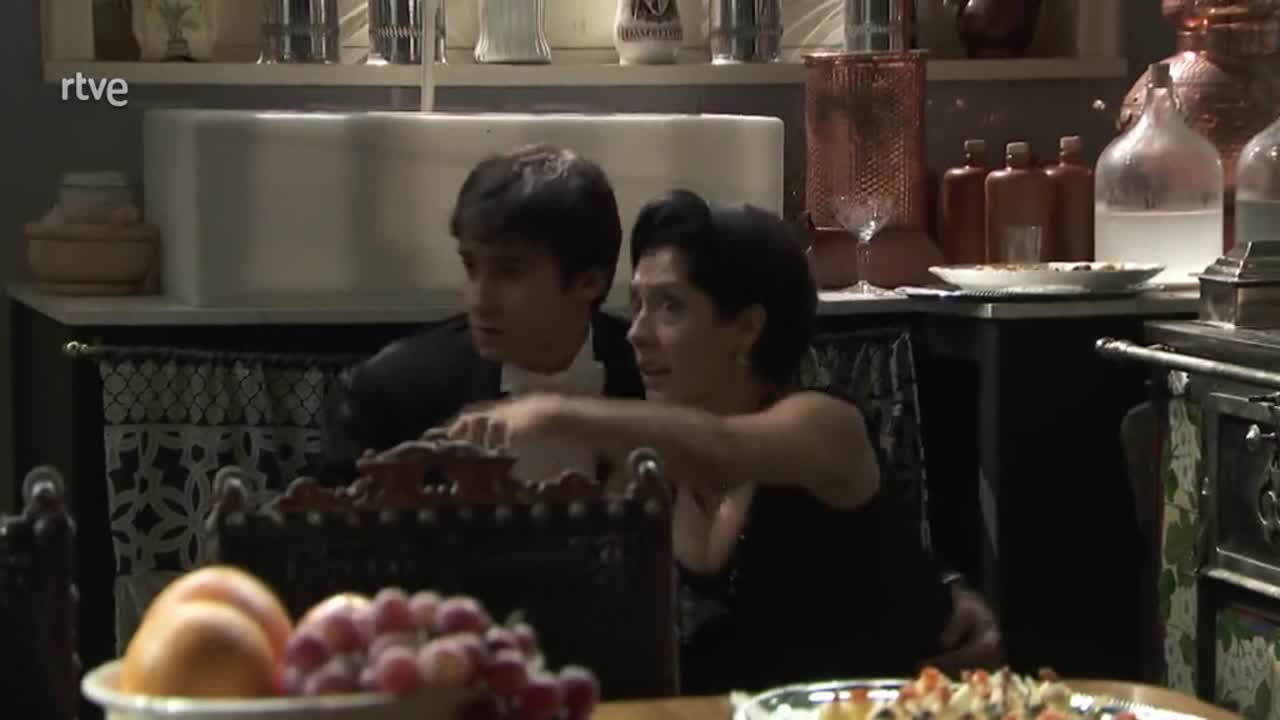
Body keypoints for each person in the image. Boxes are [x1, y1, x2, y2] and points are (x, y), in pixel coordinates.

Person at [444, 189, 1001, 691]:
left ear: (747, 329)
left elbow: (722, 450)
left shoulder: (824, 425)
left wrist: (553, 411)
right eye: (637, 304)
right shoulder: (653, 465)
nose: (637, 333)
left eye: (670, 306)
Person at [323, 144, 643, 486]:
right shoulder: (394, 391)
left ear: (588, 283)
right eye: (471, 266)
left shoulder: (650, 373)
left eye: (510, 271)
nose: (478, 299)